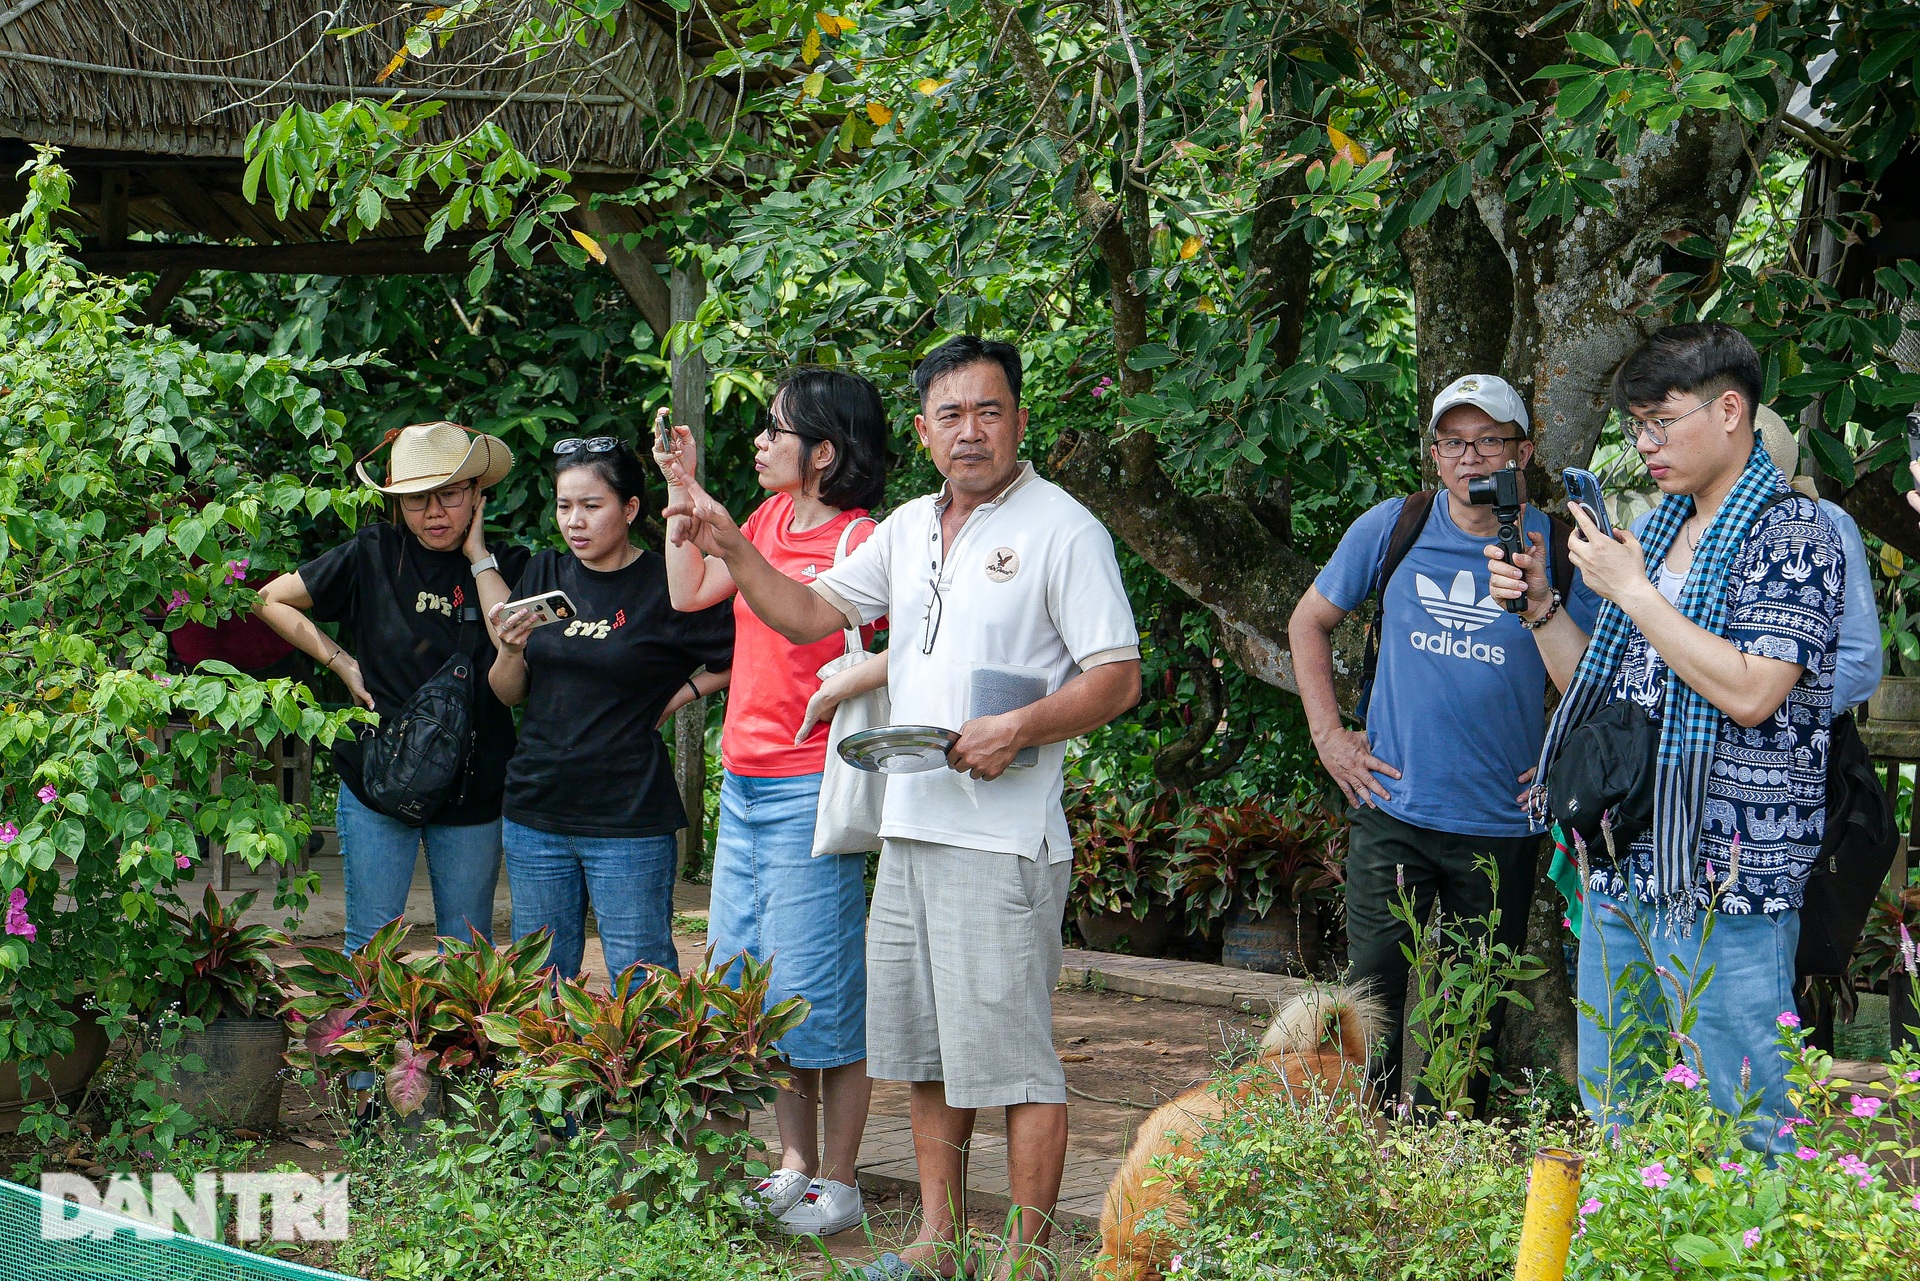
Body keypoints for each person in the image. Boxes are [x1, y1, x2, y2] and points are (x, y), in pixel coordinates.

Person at [661, 336, 1141, 1281]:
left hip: (1002, 838)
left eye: (989, 411)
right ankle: (936, 1239)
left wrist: (1019, 726)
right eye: (951, 415)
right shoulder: (911, 526)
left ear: (1020, 420)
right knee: (919, 1054)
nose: (971, 432)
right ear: (923, 432)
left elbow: (1117, 677)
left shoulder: (1063, 528)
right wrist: (723, 538)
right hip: (910, 822)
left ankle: (1025, 1258)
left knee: (1013, 1063)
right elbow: (806, 613)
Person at [1492, 322, 1846, 1153]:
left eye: (1661, 421)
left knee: (1749, 1114)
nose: (1645, 444)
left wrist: (1637, 592)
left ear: (1730, 410)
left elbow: (1754, 692)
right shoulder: (1652, 533)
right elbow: (1611, 697)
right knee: (1617, 1103)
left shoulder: (1794, 534)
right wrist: (1543, 604)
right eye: (1636, 427)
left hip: (1728, 878)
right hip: (1626, 863)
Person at [1287, 373, 1600, 1111]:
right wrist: (1330, 737)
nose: (1471, 457)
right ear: (1435, 455)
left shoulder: (1556, 544)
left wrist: (1560, 756)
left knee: (1472, 1024)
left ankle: (1443, 1171)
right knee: (1369, 1011)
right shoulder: (1394, 526)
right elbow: (1309, 621)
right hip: (1393, 810)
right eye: (1454, 442)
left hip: (1500, 824)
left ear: (1521, 453)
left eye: (1489, 440)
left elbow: (1601, 671)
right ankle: (1363, 1166)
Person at [653, 369, 892, 1237]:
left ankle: (842, 1175)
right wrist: (683, 495)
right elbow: (688, 592)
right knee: (757, 987)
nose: (759, 441)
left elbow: (831, 632)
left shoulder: (863, 540)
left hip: (811, 786)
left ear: (823, 452)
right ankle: (793, 1162)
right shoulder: (765, 519)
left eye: (775, 430)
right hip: (744, 781)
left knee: (820, 986)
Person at [255, 421, 523, 953]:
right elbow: (269, 599)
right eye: (416, 500)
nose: (434, 513)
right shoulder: (372, 551)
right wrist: (340, 662)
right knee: (371, 944)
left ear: (477, 494)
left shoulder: (507, 566)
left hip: (474, 784)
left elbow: (513, 648)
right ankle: (365, 1039)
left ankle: (459, 1042)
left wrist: (478, 557)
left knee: (467, 948)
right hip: (378, 776)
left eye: (448, 495)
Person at [487, 436, 734, 982]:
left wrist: (681, 695)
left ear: (630, 509)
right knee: (538, 983)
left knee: (640, 976)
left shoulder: (668, 584)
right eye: (564, 506)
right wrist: (508, 649)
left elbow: (742, 655)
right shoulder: (544, 573)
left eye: (591, 506)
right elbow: (511, 693)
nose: (574, 521)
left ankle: (642, 1074)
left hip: (628, 816)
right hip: (535, 810)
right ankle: (547, 1072)